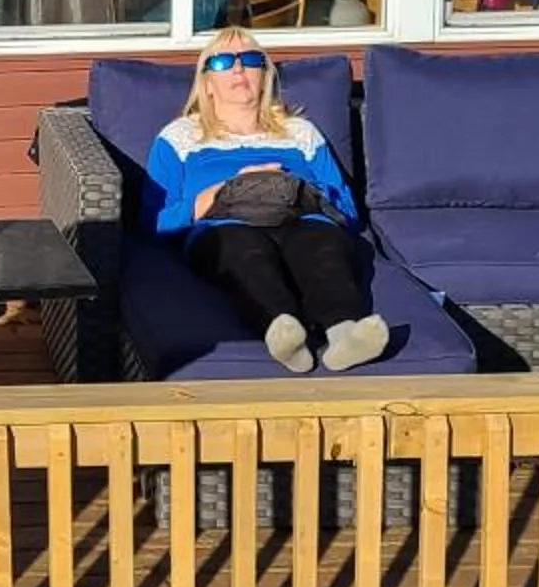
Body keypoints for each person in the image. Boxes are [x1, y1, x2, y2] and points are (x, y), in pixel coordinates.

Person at [143, 28, 391, 373]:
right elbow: (152, 221)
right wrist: (208, 198)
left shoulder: (300, 132)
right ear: (207, 82)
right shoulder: (180, 137)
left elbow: (348, 209)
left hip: (302, 217)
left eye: (250, 59)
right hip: (225, 223)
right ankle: (282, 331)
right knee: (241, 249)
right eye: (223, 61)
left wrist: (304, 191)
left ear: (265, 74)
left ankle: (345, 334)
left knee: (322, 246)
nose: (238, 69)